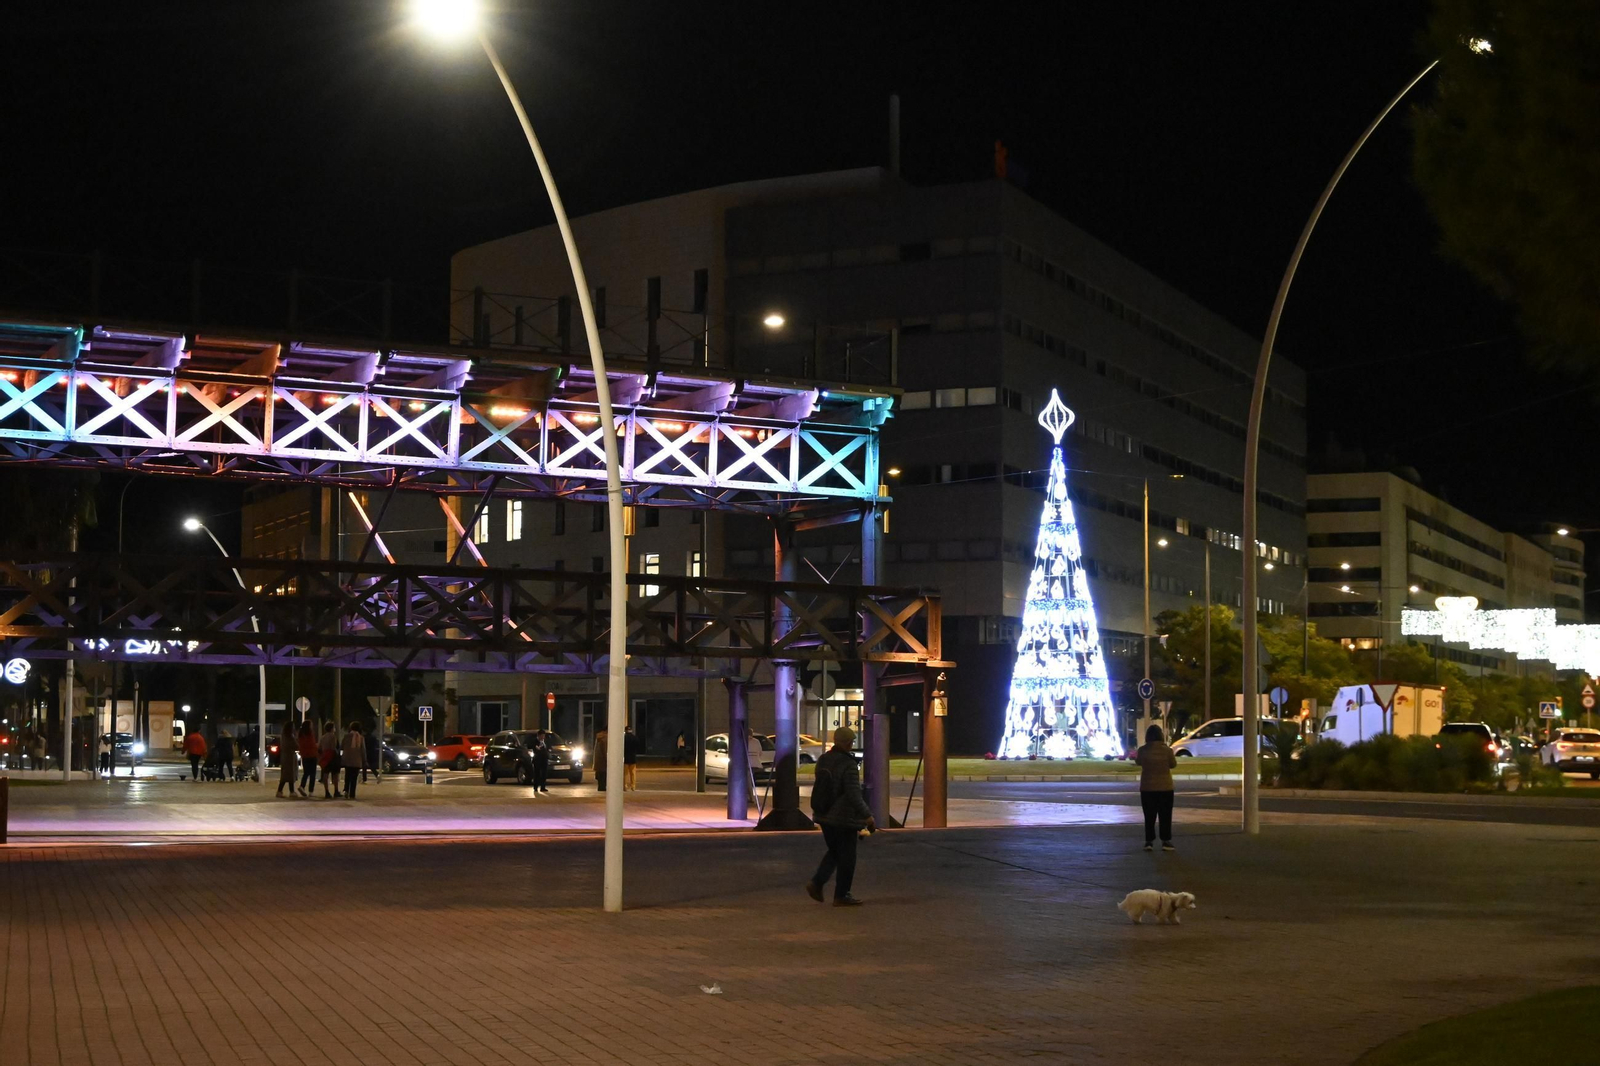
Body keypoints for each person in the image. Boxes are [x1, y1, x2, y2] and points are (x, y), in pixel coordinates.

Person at [805, 726, 874, 907]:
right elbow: (853, 794)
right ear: (847, 743)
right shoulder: (848, 764)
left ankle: (817, 883)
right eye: (851, 741)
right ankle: (841, 895)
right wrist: (867, 816)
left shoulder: (823, 760)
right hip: (843, 818)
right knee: (848, 857)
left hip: (824, 815)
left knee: (835, 852)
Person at [1136, 724, 1178, 853]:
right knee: (1165, 815)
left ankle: (1149, 841)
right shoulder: (1167, 750)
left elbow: (1138, 762)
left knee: (1149, 815)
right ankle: (1166, 841)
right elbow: (1173, 764)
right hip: (1165, 787)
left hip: (1148, 787)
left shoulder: (1143, 750)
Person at [275, 721, 298, 799]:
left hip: (285, 756)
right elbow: (295, 746)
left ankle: (283, 791)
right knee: (289, 774)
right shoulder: (290, 737)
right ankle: (290, 791)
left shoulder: (283, 736)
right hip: (290, 756)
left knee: (285, 774)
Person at [318, 721, 341, 799]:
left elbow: (319, 747)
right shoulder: (333, 736)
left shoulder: (322, 737)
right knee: (335, 775)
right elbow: (333, 747)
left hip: (325, 756)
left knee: (325, 774)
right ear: (332, 728)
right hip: (332, 757)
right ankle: (336, 791)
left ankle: (327, 791)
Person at [342, 722, 365, 799]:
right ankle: (352, 794)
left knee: (347, 776)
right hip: (357, 760)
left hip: (347, 759)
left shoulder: (346, 736)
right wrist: (364, 760)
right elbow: (363, 750)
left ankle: (346, 790)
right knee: (354, 778)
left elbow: (342, 746)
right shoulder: (361, 738)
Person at [296, 721, 318, 797]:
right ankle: (311, 791)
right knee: (313, 774)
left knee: (306, 772)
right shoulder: (310, 734)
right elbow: (312, 744)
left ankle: (302, 786)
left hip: (304, 756)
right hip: (312, 755)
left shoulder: (301, 734)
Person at [531, 729, 550, 793]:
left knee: (544, 774)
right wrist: (537, 748)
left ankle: (543, 787)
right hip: (537, 760)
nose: (542, 737)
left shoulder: (546, 741)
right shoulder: (534, 741)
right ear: (538, 736)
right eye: (541, 736)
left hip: (544, 760)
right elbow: (534, 748)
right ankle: (535, 787)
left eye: (543, 736)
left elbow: (548, 748)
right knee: (537, 774)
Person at [623, 726, 639, 791]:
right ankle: (633, 786)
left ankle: (625, 786)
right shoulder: (635, 738)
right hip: (633, 757)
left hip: (626, 757)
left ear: (626, 730)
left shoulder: (624, 738)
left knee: (625, 773)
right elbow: (637, 746)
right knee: (633, 773)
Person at [594, 727, 609, 792]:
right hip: (603, 761)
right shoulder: (605, 738)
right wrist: (608, 759)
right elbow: (605, 750)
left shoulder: (599, 737)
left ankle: (600, 787)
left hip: (598, 761)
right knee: (604, 775)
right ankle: (602, 788)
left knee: (600, 776)